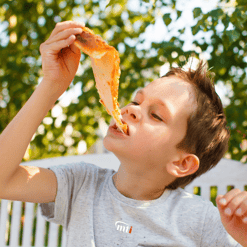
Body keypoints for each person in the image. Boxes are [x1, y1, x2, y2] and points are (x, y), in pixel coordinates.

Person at [0, 21, 246, 247]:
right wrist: (52, 85)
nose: (130, 110)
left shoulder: (201, 219)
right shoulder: (80, 185)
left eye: (156, 115)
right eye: (136, 101)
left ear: (182, 163)